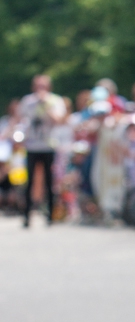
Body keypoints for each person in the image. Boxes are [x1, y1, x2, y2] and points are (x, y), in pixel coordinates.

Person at [18, 74, 67, 227]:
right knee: (30, 180)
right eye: (38, 86)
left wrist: (46, 105)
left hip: (48, 146)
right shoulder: (28, 101)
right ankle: (27, 215)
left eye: (43, 86)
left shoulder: (55, 101)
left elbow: (59, 120)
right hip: (32, 146)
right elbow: (20, 119)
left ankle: (50, 215)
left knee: (49, 181)